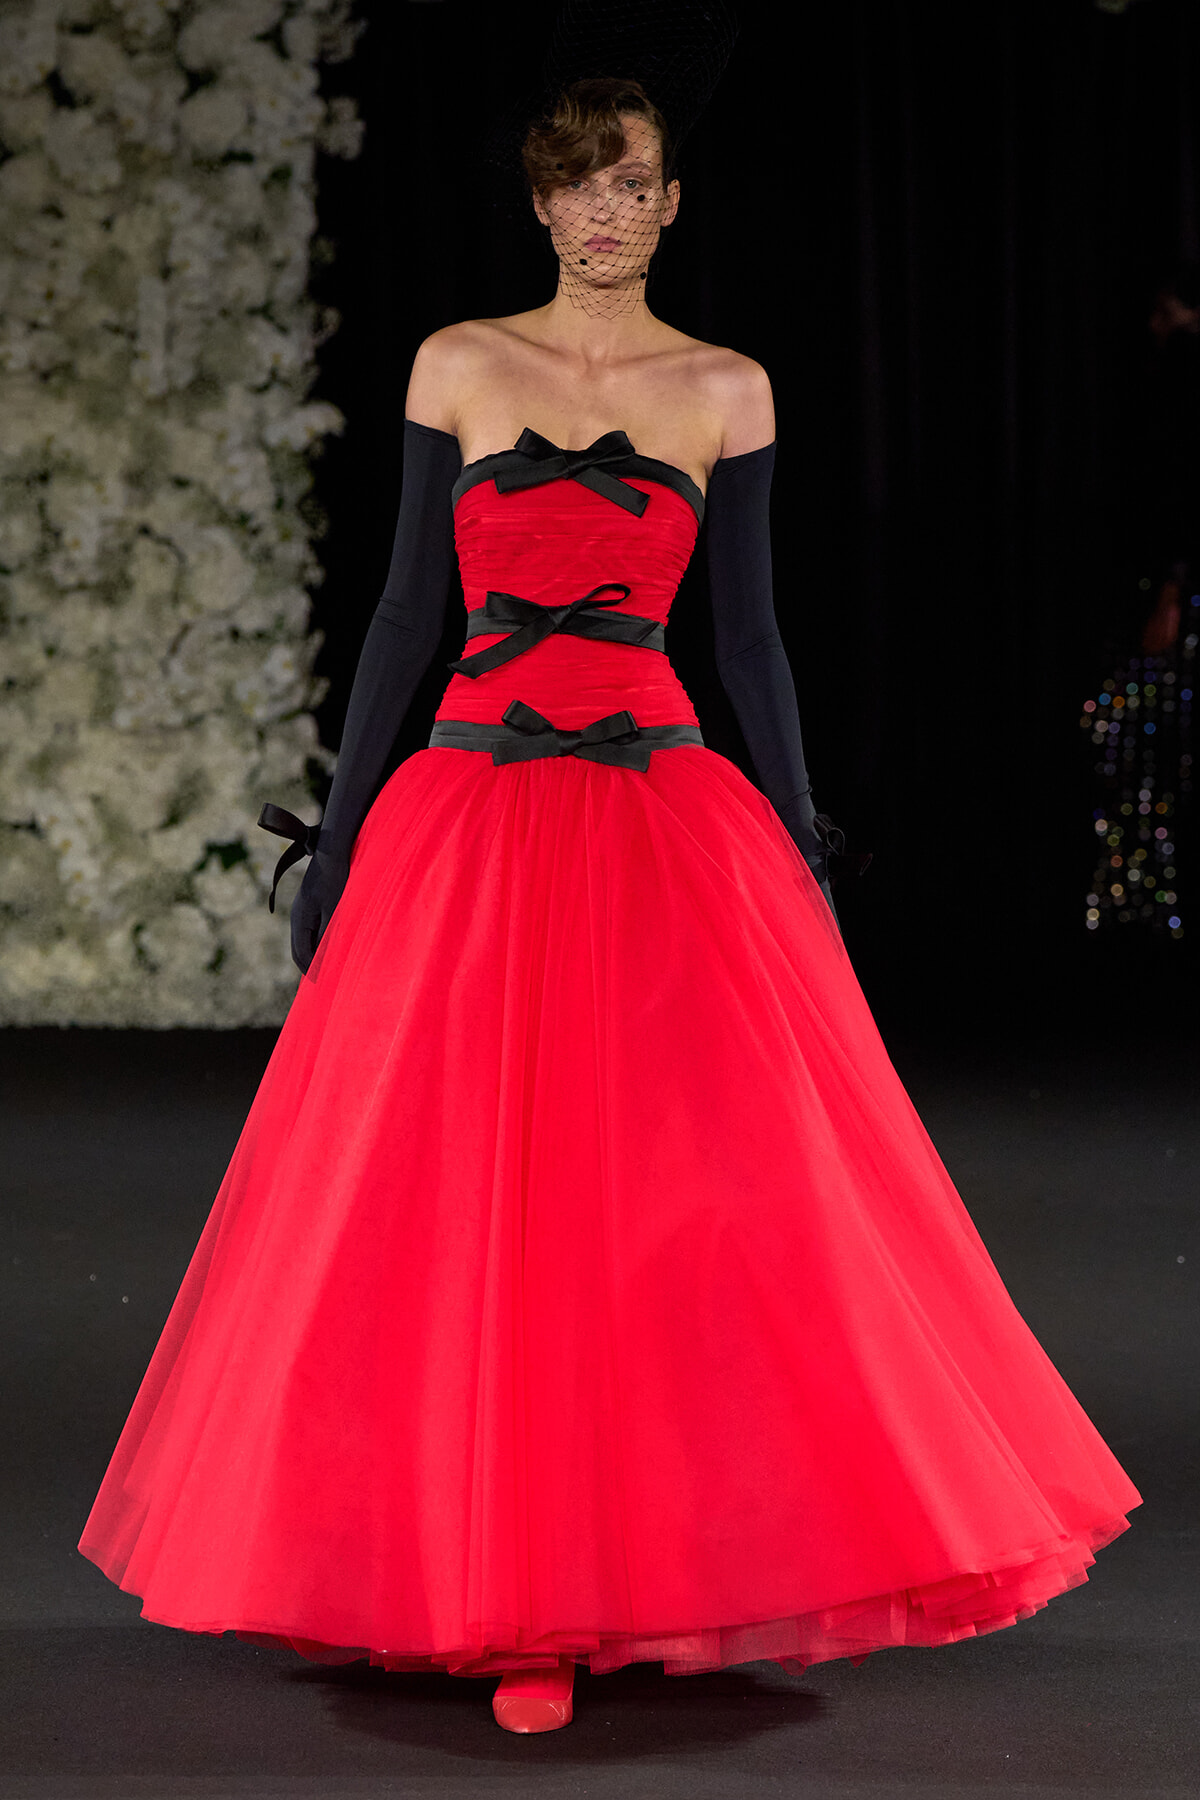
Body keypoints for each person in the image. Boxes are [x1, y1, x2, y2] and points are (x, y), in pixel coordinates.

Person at [79, 78, 1142, 1737]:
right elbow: (404, 609)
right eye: (573, 180)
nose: (599, 207)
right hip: (475, 813)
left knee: (669, 1193)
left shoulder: (726, 389)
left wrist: (793, 844)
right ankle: (495, 1594)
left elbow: (751, 641)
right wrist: (343, 836)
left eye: (627, 181)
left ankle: (624, 1578)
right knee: (443, 1190)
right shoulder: (457, 361)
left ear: (665, 207)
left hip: (656, 806)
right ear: (539, 205)